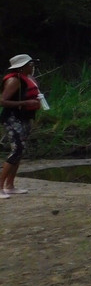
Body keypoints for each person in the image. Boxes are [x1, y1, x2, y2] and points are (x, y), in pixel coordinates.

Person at [0, 54, 42, 198]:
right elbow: (2, 101)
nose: (32, 66)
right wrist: (24, 103)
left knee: (20, 151)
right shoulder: (13, 80)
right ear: (22, 66)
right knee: (16, 149)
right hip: (12, 118)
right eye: (30, 64)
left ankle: (10, 186)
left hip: (25, 118)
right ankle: (0, 187)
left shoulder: (29, 78)